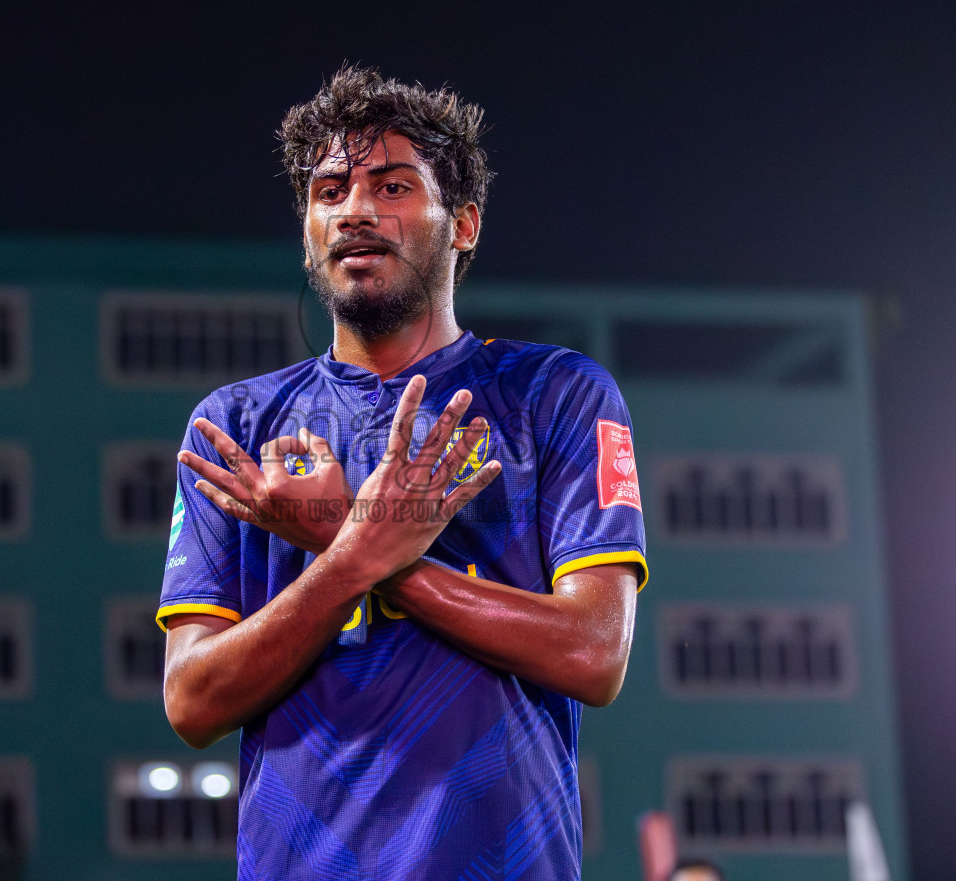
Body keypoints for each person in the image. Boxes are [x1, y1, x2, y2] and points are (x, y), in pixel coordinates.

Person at [159, 66, 649, 879]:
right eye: (328, 192)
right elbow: (193, 702)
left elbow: (594, 655)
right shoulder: (238, 427)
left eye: (392, 185)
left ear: (463, 223)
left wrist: (346, 544)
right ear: (310, 230)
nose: (355, 209)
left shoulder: (555, 395)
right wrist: (353, 556)